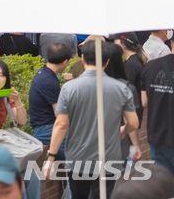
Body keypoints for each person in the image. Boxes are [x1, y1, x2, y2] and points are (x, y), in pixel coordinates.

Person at [45, 41, 139, 198]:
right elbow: (134, 123)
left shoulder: (69, 88)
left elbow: (61, 124)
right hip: (109, 161)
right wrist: (122, 131)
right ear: (107, 62)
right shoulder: (121, 88)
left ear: (82, 59)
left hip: (78, 160)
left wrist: (51, 157)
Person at [28, 43, 71, 154]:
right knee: (78, 156)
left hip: (43, 128)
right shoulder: (49, 81)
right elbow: (59, 114)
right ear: (65, 62)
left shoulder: (43, 73)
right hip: (46, 131)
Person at [141, 39, 174, 173]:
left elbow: (144, 102)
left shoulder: (150, 67)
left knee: (162, 187)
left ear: (171, 43)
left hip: (157, 134)